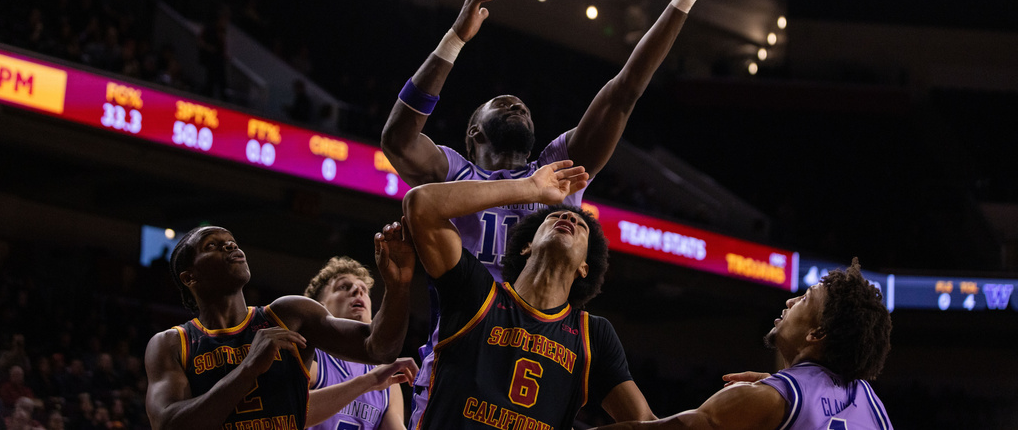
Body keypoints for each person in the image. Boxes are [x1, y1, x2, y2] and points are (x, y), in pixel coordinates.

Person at [381, 0, 745, 427]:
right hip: (467, 350)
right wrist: (454, 41)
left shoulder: (559, 166)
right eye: (501, 103)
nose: (516, 103)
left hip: (548, 349)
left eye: (523, 104)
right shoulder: (456, 171)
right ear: (472, 133)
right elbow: (399, 140)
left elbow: (624, 93)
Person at [402, 160, 655, 429]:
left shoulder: (593, 334)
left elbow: (643, 422)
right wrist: (530, 188)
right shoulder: (477, 293)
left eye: (580, 226)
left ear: (584, 267)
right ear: (527, 246)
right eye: (554, 217)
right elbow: (421, 204)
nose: (568, 218)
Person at [144, 224, 414, 430]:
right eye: (212, 245)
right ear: (189, 277)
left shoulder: (290, 314)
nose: (229, 246)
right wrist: (249, 368)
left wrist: (398, 286)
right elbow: (168, 424)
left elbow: (379, 348)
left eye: (231, 242)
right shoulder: (171, 343)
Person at [588, 259, 894, 430]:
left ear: (817, 333)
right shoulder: (875, 409)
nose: (789, 301)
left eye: (804, 299)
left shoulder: (768, 399)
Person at [303, 257, 419, 430]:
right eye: (343, 286)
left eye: (364, 289)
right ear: (319, 307)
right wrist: (368, 382)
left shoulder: (387, 376)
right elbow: (285, 416)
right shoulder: (308, 354)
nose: (358, 290)